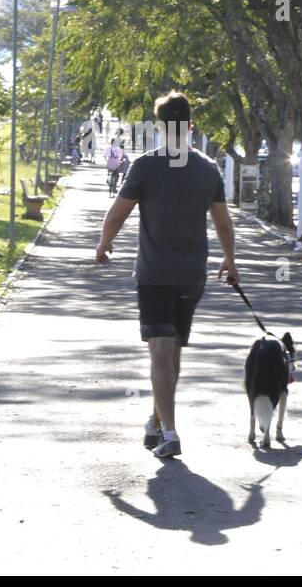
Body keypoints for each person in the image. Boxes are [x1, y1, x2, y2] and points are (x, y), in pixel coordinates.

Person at [95, 91, 238, 459]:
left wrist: (104, 244)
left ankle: (170, 433)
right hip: (193, 274)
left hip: (155, 273)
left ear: (159, 127)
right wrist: (230, 260)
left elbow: (117, 214)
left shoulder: (146, 166)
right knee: (171, 350)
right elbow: (223, 222)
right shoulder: (208, 168)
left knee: (160, 350)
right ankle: (156, 422)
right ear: (190, 126)